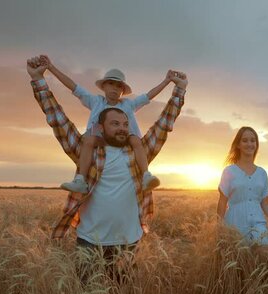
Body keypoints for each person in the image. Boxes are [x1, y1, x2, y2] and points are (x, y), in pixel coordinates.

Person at [26, 56, 187, 271]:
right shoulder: (87, 151)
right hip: (90, 242)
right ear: (100, 128)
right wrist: (39, 80)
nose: (122, 128)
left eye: (125, 124)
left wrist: (179, 90)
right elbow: (56, 117)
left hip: (129, 243)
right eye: (114, 124)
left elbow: (165, 123)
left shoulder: (139, 154)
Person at [39, 54, 175, 193]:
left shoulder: (128, 104)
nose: (115, 88)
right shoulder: (95, 101)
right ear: (103, 86)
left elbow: (149, 96)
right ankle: (81, 180)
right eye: (111, 84)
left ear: (123, 91)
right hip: (98, 137)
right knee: (88, 139)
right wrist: (51, 67)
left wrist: (166, 81)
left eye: (119, 86)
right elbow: (73, 86)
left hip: (124, 138)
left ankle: (146, 175)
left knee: (135, 140)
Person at [217, 127, 268, 245]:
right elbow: (222, 201)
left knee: (265, 252)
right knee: (239, 260)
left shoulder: (262, 173)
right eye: (245, 140)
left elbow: (265, 203)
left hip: (258, 224)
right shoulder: (229, 171)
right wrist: (219, 227)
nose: (249, 144)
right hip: (235, 224)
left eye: (253, 140)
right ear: (238, 145)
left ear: (256, 144)